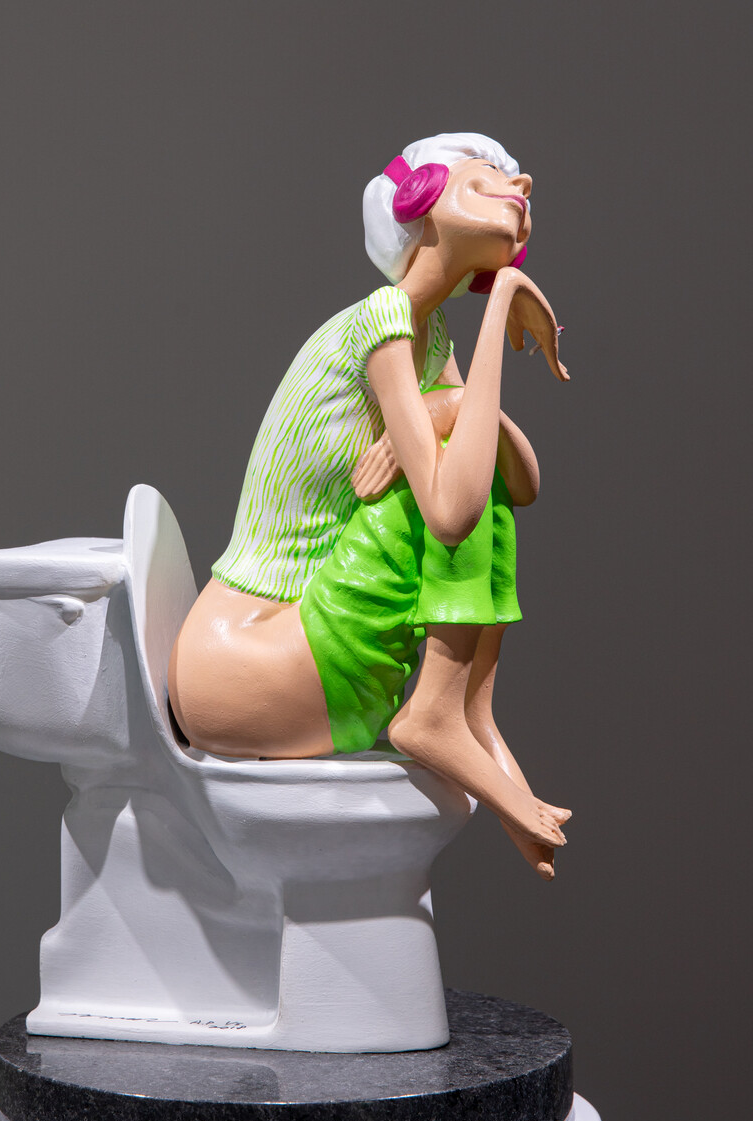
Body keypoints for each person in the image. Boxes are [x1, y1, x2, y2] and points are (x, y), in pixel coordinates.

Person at [169, 132, 571, 878]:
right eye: (487, 174)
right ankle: (437, 712)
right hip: (248, 655)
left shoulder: (428, 332)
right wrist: (502, 309)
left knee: (468, 466)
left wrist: (449, 411)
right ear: (421, 198)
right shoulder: (383, 320)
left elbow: (524, 483)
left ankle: (466, 714)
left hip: (296, 660)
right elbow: (452, 514)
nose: (519, 189)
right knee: (454, 483)